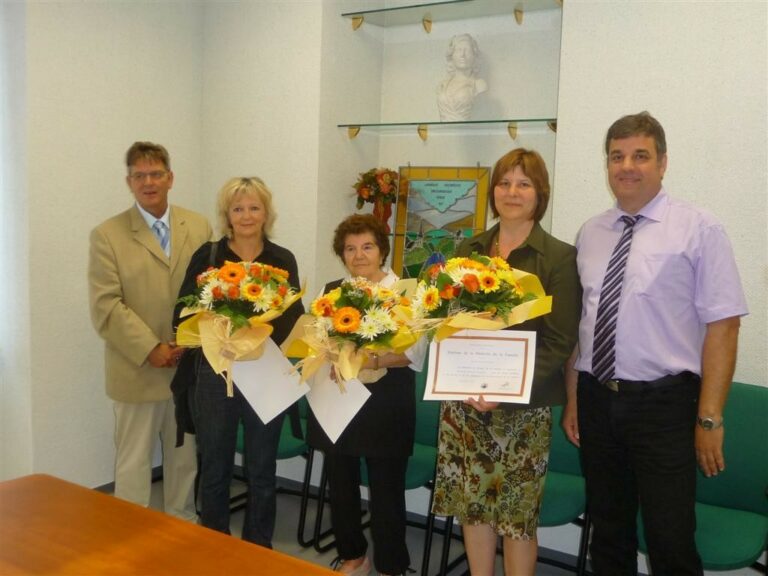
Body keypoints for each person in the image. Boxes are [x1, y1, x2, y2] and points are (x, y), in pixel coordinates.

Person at [562, 111, 748, 576]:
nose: (627, 166)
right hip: (596, 399)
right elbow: (582, 326)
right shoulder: (590, 232)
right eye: (617, 156)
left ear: (662, 163)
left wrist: (709, 417)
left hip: (664, 405)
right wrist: (573, 401)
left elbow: (724, 327)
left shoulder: (699, 228)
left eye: (640, 155)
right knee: (608, 530)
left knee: (669, 536)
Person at [431, 148, 581, 576]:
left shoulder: (558, 257)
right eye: (504, 182)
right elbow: (448, 322)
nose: (511, 192)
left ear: (540, 193)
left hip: (522, 407)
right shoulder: (469, 248)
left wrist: (504, 389)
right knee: (473, 510)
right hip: (465, 404)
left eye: (524, 183)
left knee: (516, 517)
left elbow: (559, 339)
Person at [173, 177, 304, 547]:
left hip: (265, 371)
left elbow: (295, 317)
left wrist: (257, 333)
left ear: (266, 213)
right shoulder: (209, 256)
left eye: (254, 207)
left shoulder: (282, 260)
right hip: (217, 372)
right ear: (227, 215)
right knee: (215, 465)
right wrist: (220, 329)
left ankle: (257, 549)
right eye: (238, 208)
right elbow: (183, 310)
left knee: (262, 469)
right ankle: (216, 546)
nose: (246, 215)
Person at [88, 141, 212, 520]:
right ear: (129, 181)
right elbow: (106, 305)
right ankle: (130, 541)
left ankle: (182, 528)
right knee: (133, 465)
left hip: (187, 367)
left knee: (184, 461)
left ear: (170, 178)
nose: (148, 182)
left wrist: (189, 342)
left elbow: (209, 292)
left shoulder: (200, 225)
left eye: (156, 173)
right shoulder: (107, 234)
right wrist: (151, 347)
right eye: (139, 175)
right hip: (137, 368)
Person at [306, 214, 427, 576]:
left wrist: (372, 358)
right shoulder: (331, 292)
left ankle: (392, 565)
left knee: (386, 489)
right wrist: (329, 354)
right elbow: (316, 339)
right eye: (350, 248)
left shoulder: (405, 292)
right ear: (342, 254)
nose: (359, 255)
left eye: (367, 246)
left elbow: (414, 352)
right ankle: (354, 555)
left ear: (382, 250)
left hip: (386, 400)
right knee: (340, 482)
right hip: (338, 396)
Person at [437, 33, 488, 122]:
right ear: (452, 55)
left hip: (466, 132)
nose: (462, 55)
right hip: (444, 133)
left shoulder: (479, 84)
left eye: (467, 50)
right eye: (458, 50)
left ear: (474, 56)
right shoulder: (443, 84)